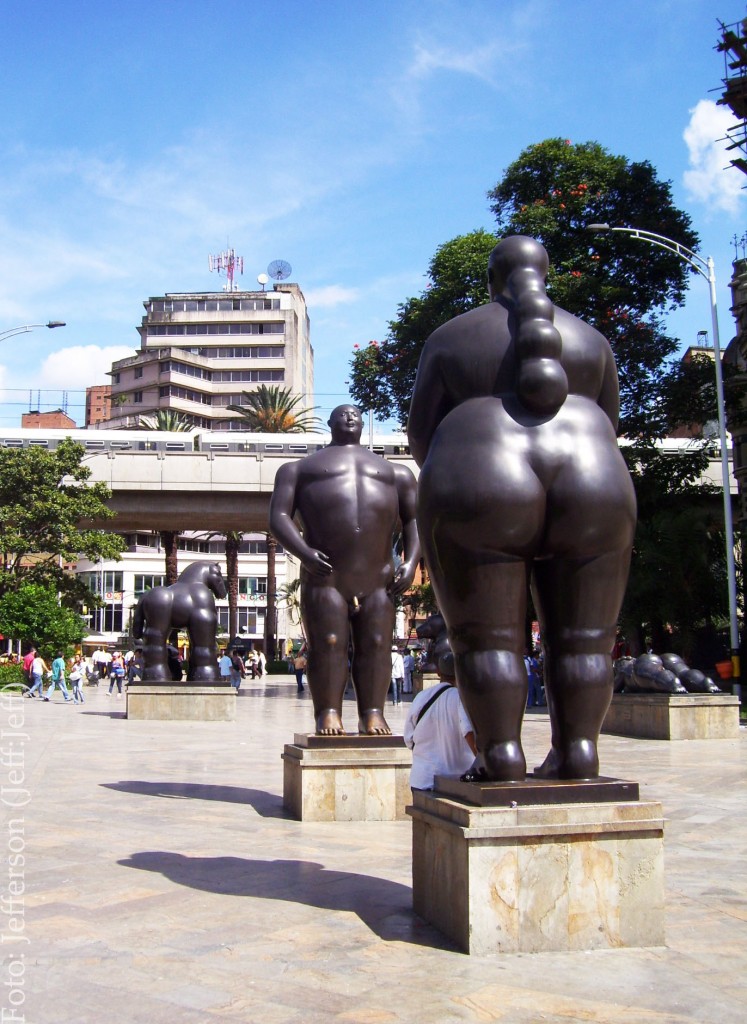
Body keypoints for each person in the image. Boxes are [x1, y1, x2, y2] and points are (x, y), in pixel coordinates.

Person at [408, 236, 637, 782]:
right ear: (547, 274)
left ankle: (500, 754)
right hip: (594, 475)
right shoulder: (593, 340)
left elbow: (423, 435)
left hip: (480, 469)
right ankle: (579, 752)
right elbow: (612, 421)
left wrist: (458, 481)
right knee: (587, 641)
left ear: (492, 279)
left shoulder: (449, 338)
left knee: (488, 640)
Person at [269, 404, 420, 735]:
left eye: (355, 414)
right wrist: (305, 553)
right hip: (326, 577)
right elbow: (278, 518)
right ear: (329, 423)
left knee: (378, 642)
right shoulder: (298, 469)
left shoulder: (397, 473)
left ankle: (373, 712)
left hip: (379, 580)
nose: (350, 417)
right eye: (342, 414)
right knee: (329, 642)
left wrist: (410, 563)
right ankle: (328, 711)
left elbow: (414, 520)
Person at [404, 654, 477, 790]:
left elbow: (408, 739)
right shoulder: (464, 699)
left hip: (422, 779)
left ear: (438, 672)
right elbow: (469, 733)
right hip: (452, 783)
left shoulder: (421, 697)